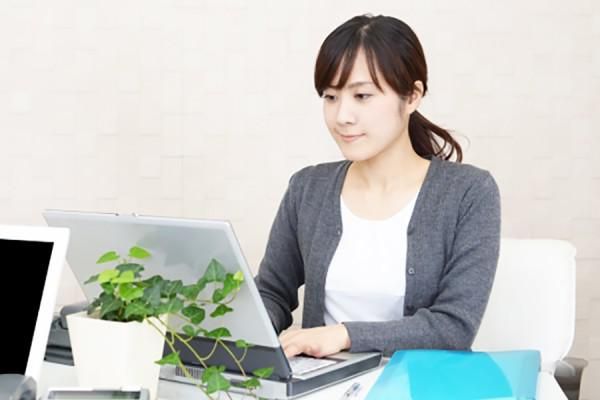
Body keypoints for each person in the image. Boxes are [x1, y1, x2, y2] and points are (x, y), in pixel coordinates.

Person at [255, 14, 501, 359]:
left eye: (362, 96)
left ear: (412, 96)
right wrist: (239, 326)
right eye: (330, 97)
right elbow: (271, 293)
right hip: (321, 382)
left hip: (416, 384)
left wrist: (344, 335)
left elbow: (454, 326)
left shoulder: (469, 193)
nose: (342, 116)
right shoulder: (308, 188)